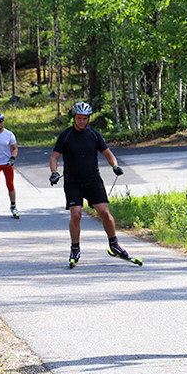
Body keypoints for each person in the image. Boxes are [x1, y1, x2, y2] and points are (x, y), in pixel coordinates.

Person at [49, 101, 131, 268]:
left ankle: (114, 244)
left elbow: (108, 153)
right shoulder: (66, 135)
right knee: (76, 214)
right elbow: (54, 157)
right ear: (74, 117)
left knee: (104, 212)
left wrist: (115, 166)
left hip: (93, 180)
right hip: (73, 182)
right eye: (79, 118)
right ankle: (75, 249)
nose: (82, 121)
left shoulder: (94, 134)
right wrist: (54, 172)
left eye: (85, 118)